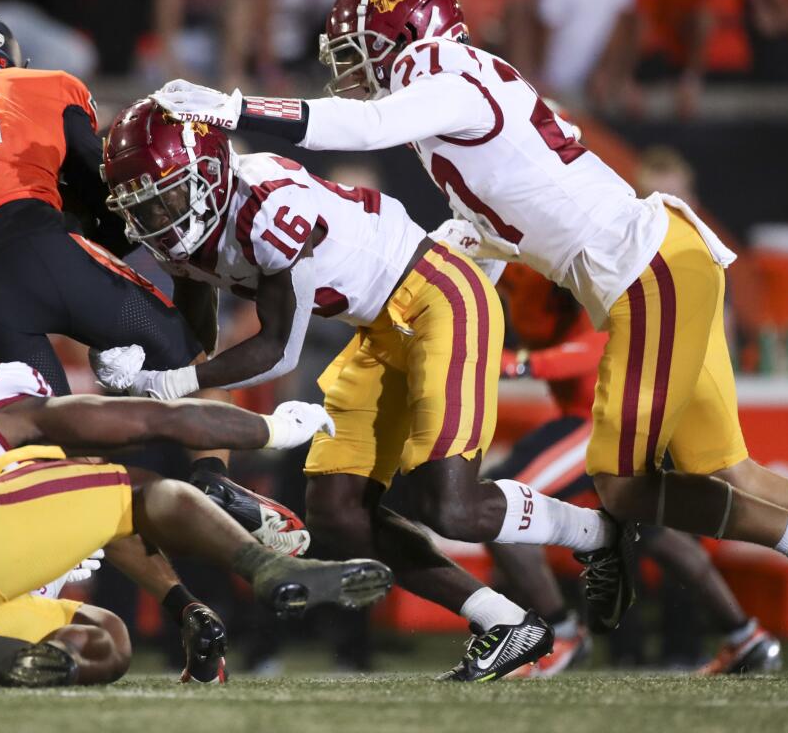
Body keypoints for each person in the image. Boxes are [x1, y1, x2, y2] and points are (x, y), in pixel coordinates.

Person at [151, 0, 788, 676]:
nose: (354, 70)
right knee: (731, 477)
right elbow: (478, 235)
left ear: (409, 38)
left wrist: (235, 107)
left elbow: (362, 129)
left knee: (624, 489)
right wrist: (426, 313)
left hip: (645, 272)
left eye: (363, 50)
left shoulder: (447, 74)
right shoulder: (449, 111)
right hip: (659, 263)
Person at [89, 100, 602, 681]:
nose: (158, 215)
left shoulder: (266, 205)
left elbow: (277, 349)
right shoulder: (185, 227)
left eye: (168, 194)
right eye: (143, 204)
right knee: (336, 515)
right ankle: (507, 624)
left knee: (450, 506)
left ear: (208, 171)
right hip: (379, 326)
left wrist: (167, 383)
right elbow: (195, 337)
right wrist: (137, 360)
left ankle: (595, 533)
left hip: (439, 297)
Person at [0, 7, 310, 558]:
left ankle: (84, 558)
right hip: (43, 245)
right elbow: (107, 184)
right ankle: (213, 478)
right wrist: (83, 244)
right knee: (191, 361)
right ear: (12, 63)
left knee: (51, 443)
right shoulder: (45, 86)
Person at [0, 334, 390, 688]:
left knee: (106, 641)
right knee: (136, 491)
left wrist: (182, 608)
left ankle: (7, 663)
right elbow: (148, 421)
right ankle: (268, 568)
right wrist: (269, 431)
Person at [492, 265, 781, 676]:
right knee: (657, 534)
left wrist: (511, 364)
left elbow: (602, 343)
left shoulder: (596, 263)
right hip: (600, 415)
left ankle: (561, 633)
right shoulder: (520, 262)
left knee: (499, 506)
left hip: (608, 419)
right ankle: (745, 636)